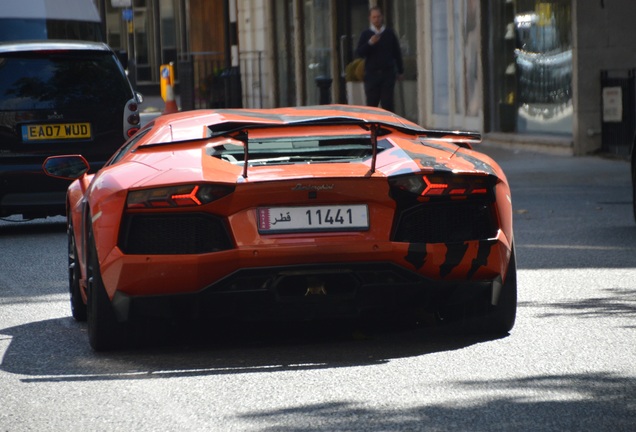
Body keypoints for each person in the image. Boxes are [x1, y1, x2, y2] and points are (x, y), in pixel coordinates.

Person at [355, 6, 404, 113]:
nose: (376, 19)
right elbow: (359, 53)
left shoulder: (389, 33)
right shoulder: (366, 34)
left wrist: (400, 71)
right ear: (370, 19)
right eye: (374, 17)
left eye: (378, 17)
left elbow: (397, 52)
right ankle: (373, 128)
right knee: (372, 105)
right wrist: (370, 43)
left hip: (387, 73)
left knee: (388, 104)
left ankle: (387, 127)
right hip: (372, 75)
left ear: (382, 17)